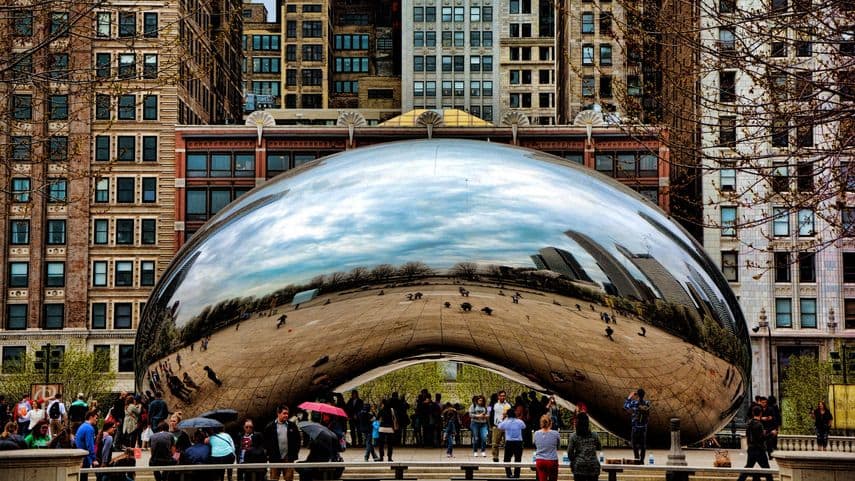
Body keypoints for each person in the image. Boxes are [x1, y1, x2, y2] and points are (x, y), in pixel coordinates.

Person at [263, 404, 300, 481]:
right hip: (274, 458)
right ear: (278, 413)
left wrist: (294, 453)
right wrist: (269, 454)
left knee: (289, 479)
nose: (286, 415)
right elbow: (266, 442)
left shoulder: (292, 426)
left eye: (287, 413)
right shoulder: (270, 427)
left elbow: (297, 440)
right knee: (274, 478)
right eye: (284, 413)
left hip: (288, 458)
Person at [736, 405, 773, 481]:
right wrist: (771, 434)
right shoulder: (759, 424)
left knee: (748, 468)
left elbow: (749, 435)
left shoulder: (749, 423)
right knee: (766, 469)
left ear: (753, 413)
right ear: (761, 413)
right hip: (759, 449)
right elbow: (761, 438)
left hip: (751, 448)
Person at [567, 412, 601, 481]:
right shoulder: (595, 435)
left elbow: (570, 453)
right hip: (593, 467)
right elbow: (599, 447)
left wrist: (574, 461)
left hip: (579, 466)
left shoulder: (573, 436)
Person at [623, 388, 651, 462]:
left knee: (634, 444)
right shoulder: (647, 403)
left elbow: (625, 406)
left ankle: (636, 458)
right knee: (643, 445)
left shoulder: (634, 403)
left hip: (635, 428)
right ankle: (642, 460)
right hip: (643, 428)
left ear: (637, 395)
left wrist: (630, 396)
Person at [497, 407, 526, 478]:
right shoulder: (519, 421)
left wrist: (504, 418)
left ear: (507, 415)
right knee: (518, 459)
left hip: (509, 442)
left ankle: (509, 474)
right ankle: (517, 475)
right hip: (518, 442)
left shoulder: (506, 422)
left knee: (507, 459)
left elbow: (499, 426)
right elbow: (524, 426)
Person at [534, 414, 561, 481]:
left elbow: (536, 445)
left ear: (541, 423)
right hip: (552, 460)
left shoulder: (536, 433)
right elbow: (558, 446)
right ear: (550, 423)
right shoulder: (556, 433)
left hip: (540, 460)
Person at [76, 410, 100, 477]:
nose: (97, 420)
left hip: (80, 456)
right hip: (85, 457)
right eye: (96, 418)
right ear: (91, 417)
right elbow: (90, 445)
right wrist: (94, 459)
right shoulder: (89, 428)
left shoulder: (82, 426)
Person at [491, 390, 511, 462]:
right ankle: (495, 457)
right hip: (497, 425)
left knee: (507, 443)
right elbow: (491, 413)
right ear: (498, 396)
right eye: (501, 396)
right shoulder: (495, 404)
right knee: (495, 443)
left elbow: (509, 414)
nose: (502, 397)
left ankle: (507, 457)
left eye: (503, 396)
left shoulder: (508, 405)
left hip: (506, 426)